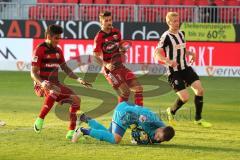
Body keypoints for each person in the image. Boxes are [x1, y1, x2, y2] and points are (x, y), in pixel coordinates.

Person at [31, 24, 92, 140]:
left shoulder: (58, 51)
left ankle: (70, 132)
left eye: (60, 38)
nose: (58, 41)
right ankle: (40, 119)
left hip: (55, 84)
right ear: (48, 36)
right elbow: (33, 73)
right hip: (41, 84)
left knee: (76, 99)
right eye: (56, 38)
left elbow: (65, 67)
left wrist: (78, 79)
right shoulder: (40, 49)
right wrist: (42, 82)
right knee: (55, 90)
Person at [154, 12, 212, 127]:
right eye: (174, 21)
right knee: (185, 98)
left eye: (178, 21)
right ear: (169, 22)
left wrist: (191, 53)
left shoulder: (181, 33)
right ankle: (171, 111)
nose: (177, 23)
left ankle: (198, 119)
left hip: (185, 68)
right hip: (174, 72)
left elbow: (181, 50)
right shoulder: (166, 36)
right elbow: (157, 54)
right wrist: (168, 61)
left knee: (200, 90)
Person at [93, 11, 143, 106]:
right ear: (101, 22)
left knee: (138, 88)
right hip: (110, 70)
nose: (109, 22)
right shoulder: (99, 37)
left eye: (110, 20)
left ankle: (140, 115)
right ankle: (118, 116)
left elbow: (120, 47)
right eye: (106, 20)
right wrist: (106, 65)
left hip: (120, 66)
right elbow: (95, 57)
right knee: (125, 92)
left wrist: (122, 49)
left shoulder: (116, 32)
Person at [72, 101, 175, 144]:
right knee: (115, 139)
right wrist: (133, 125)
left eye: (160, 139)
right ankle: (83, 131)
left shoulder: (163, 134)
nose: (156, 138)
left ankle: (85, 118)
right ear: (161, 129)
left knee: (108, 133)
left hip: (126, 110)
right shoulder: (151, 118)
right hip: (126, 112)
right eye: (158, 136)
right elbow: (139, 112)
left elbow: (150, 138)